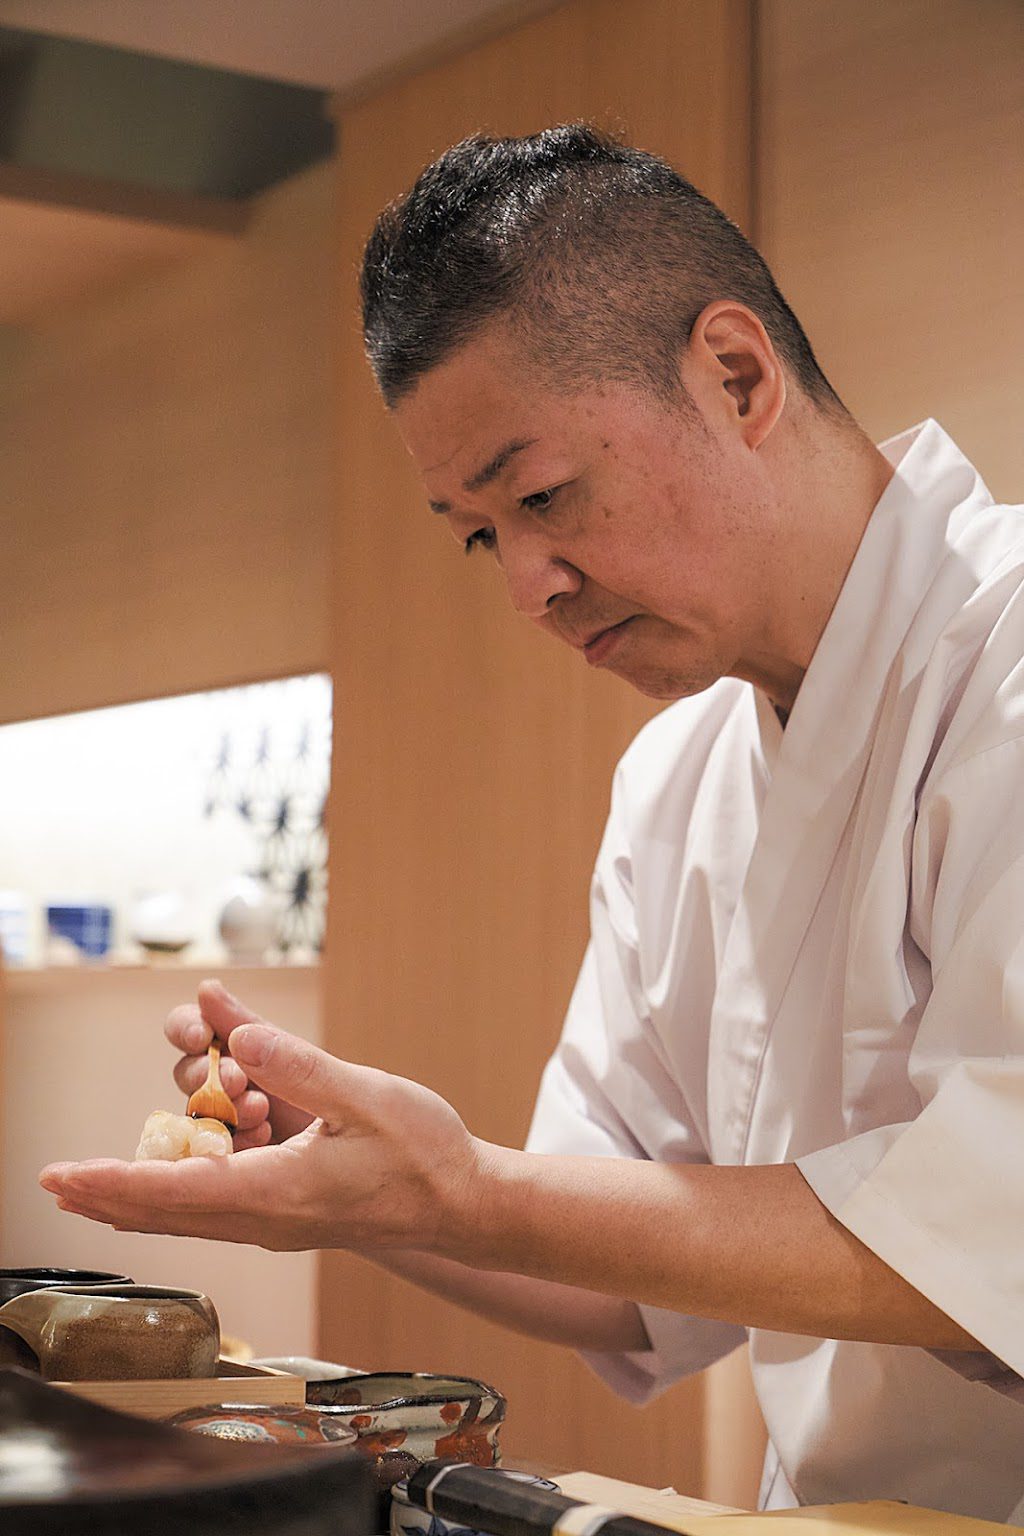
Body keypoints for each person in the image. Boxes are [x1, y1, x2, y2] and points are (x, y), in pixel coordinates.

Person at [40, 127, 1024, 1520]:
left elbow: (992, 1231)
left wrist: (462, 1187)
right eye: (479, 531)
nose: (526, 586)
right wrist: (360, 1187)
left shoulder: (1008, 668)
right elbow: (627, 1268)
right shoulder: (679, 777)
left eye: (544, 495)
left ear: (736, 377)